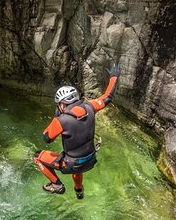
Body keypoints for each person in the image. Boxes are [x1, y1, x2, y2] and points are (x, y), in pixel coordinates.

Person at [33, 63, 120, 199]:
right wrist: (114, 76)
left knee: (37, 156)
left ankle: (56, 184)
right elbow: (108, 97)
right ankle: (79, 191)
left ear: (62, 104)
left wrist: (56, 117)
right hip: (90, 160)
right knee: (78, 163)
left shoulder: (61, 120)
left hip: (72, 164)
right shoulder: (90, 107)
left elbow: (47, 138)